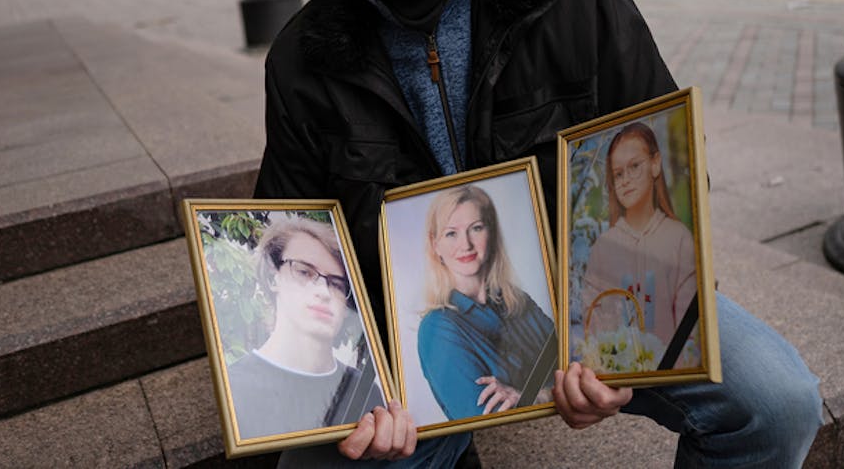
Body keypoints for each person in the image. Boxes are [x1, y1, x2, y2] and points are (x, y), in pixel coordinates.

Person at [256, 0, 823, 467]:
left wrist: (616, 342)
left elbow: (668, 175)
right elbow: (295, 226)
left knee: (780, 402)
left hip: (589, 294)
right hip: (417, 327)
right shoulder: (301, 57)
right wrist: (359, 374)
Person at [225, 215, 384, 440]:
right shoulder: (234, 387)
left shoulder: (365, 392)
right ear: (273, 277)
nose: (323, 291)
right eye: (303, 272)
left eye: (337, 284)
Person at [416, 185, 555, 421]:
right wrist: (556, 394)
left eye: (476, 228)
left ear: (491, 233)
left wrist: (534, 397)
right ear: (435, 244)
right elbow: (493, 428)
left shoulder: (519, 301)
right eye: (451, 233)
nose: (466, 244)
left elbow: (579, 368)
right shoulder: (437, 329)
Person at [580, 122, 699, 371]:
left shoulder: (678, 239)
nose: (626, 180)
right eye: (618, 174)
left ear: (655, 164)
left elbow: (692, 331)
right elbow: (594, 325)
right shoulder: (603, 246)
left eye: (635, 166)